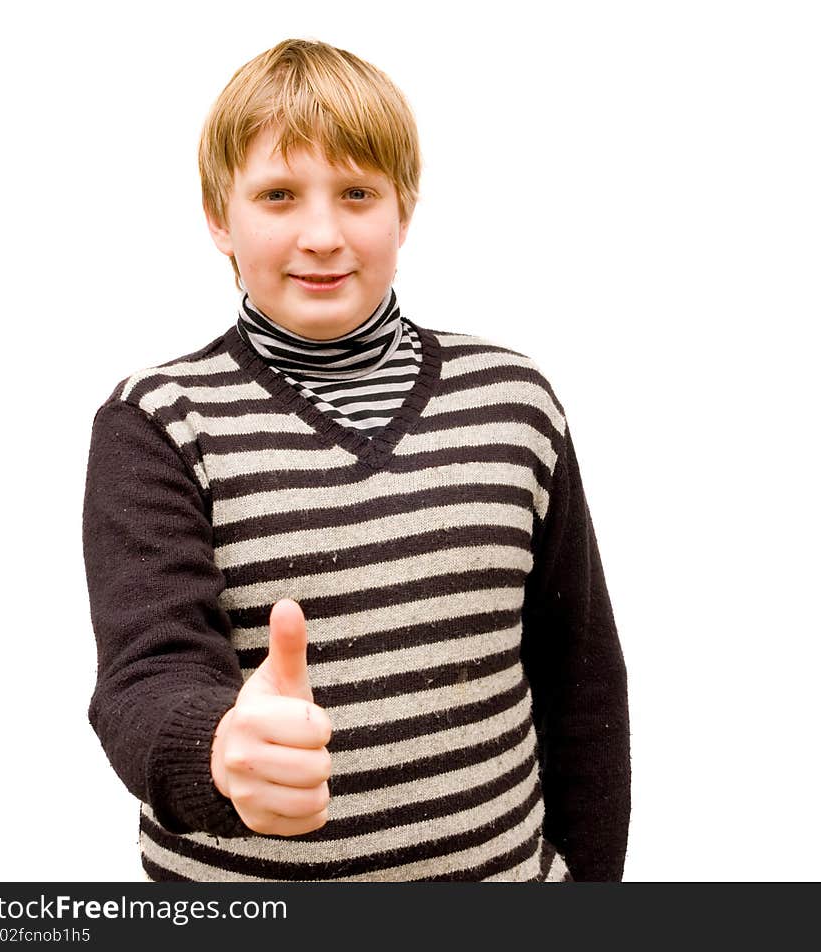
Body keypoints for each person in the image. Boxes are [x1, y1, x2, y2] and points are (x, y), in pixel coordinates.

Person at [82, 37, 631, 883]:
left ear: (403, 211)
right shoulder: (157, 421)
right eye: (277, 194)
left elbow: (581, 682)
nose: (323, 234)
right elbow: (145, 675)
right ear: (218, 216)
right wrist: (221, 748)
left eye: (357, 192)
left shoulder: (515, 401)